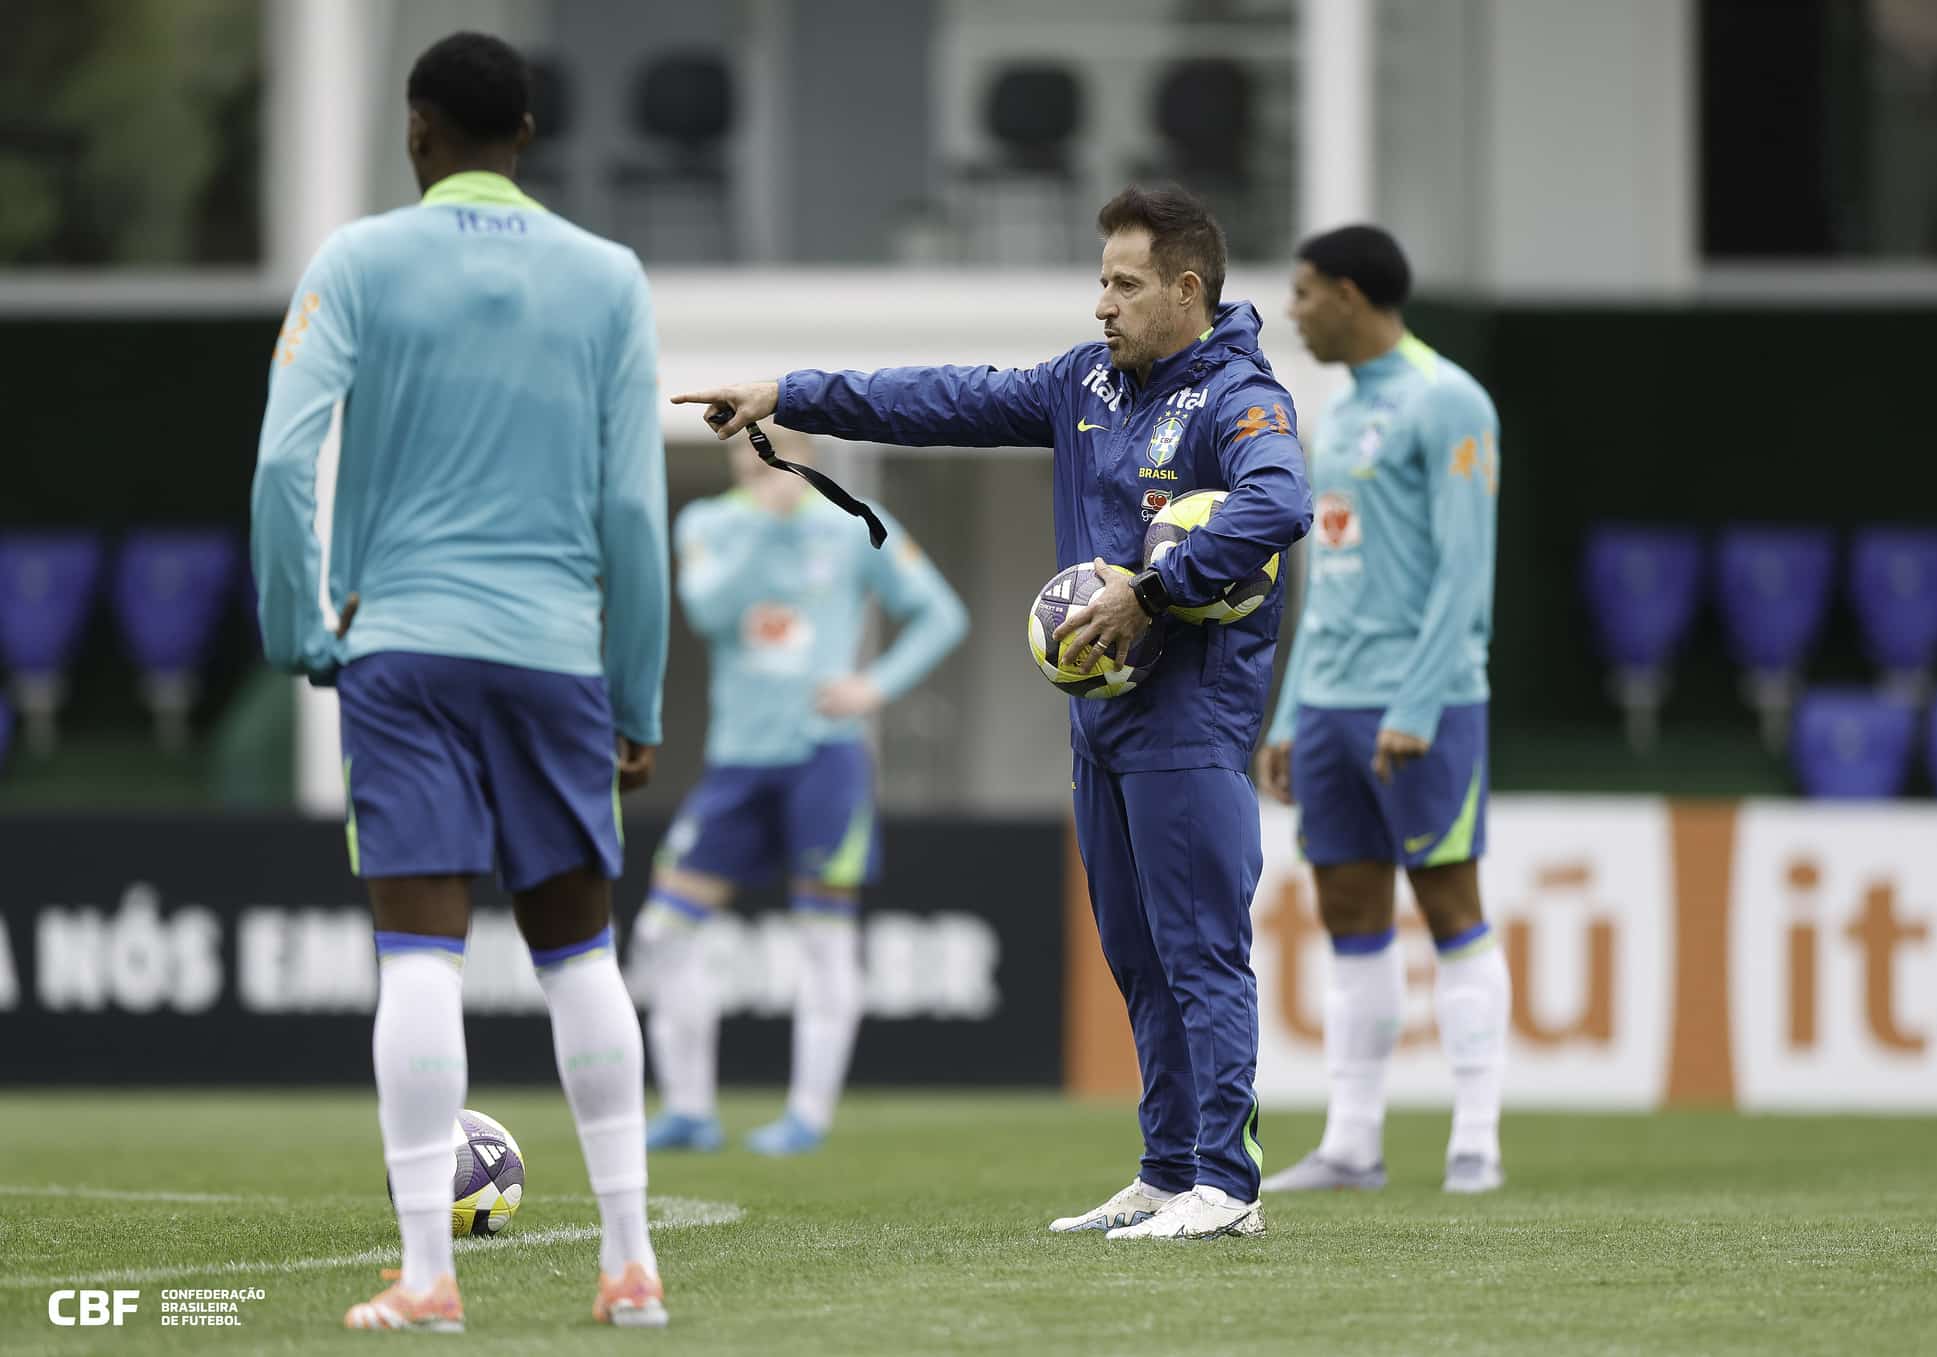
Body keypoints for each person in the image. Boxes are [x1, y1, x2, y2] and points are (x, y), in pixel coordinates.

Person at [677, 185, 1312, 1241]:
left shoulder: (1242, 399)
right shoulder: (1084, 385)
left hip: (1190, 721)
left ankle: (1227, 1185)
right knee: (1138, 956)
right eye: (1099, 279)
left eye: (1124, 282)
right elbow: (936, 399)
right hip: (1099, 722)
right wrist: (786, 391)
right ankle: (1165, 1171)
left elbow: (1278, 504)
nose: (1101, 301)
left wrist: (1149, 589)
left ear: (1186, 289)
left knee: (1199, 950)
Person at [250, 32, 671, 1330]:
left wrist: (300, 633)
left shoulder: (359, 261)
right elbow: (632, 512)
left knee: (422, 953)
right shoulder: (610, 279)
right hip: (555, 655)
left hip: (407, 653)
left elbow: (282, 464)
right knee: (580, 951)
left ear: (419, 130)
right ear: (529, 134)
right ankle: (631, 1260)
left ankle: (430, 1277)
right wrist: (637, 697)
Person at [633, 425, 967, 1157]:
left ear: (808, 456)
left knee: (823, 941)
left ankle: (806, 1115)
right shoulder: (710, 523)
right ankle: (689, 1108)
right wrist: (762, 520)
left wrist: (872, 686)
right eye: (745, 455)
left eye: (775, 452)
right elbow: (707, 611)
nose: (758, 467)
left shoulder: (854, 523)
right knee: (661, 931)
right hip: (738, 760)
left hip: (826, 756)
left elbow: (943, 614)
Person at [1259, 224, 1507, 1195]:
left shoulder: (1448, 400)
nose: (1293, 309)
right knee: (1347, 912)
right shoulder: (1335, 411)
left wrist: (1416, 699)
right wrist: (1286, 716)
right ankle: (1351, 1143)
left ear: (1352, 297)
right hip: (1326, 705)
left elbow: (1464, 567)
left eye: (1305, 291)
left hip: (1424, 701)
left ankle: (1475, 1137)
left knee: (1449, 906)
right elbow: (1323, 577)